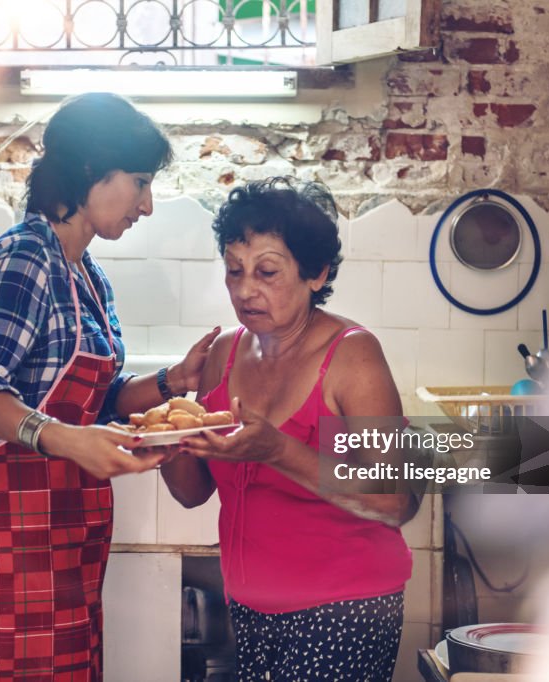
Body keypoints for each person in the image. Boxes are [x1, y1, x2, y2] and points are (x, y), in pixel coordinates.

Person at [0, 92, 219, 682]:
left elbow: (99, 397)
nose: (148, 204)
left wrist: (170, 384)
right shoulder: (23, 257)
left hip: (57, 523)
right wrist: (65, 440)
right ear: (89, 171)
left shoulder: (88, 273)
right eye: (138, 182)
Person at [161, 177, 420, 681]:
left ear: (316, 273)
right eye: (234, 271)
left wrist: (276, 449)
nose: (244, 289)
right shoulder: (222, 354)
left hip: (343, 611)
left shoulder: (351, 357)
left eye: (267, 272)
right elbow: (192, 493)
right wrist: (167, 444)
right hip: (251, 609)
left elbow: (394, 500)